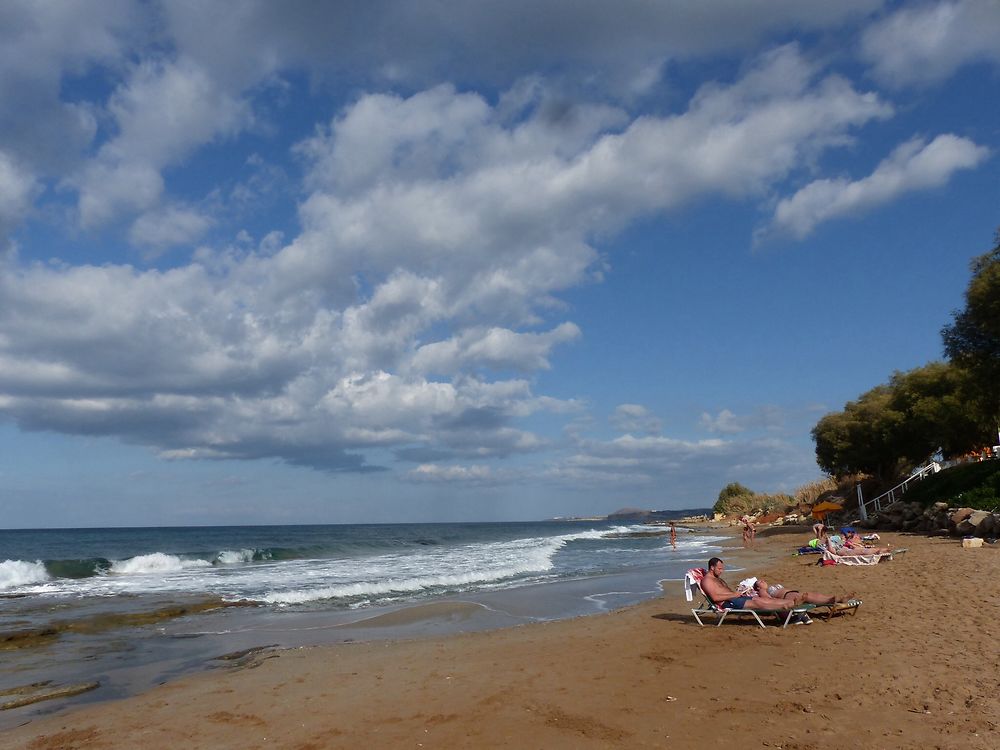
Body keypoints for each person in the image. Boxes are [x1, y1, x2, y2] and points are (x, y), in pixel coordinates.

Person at [700, 557, 796, 613]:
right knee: (757, 604)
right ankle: (782, 607)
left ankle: (789, 603)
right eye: (720, 569)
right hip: (728, 603)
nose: (722, 571)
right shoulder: (707, 581)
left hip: (735, 598)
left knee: (762, 599)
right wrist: (734, 595)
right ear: (712, 567)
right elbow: (715, 598)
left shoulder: (716, 579)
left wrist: (738, 594)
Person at [752, 578, 855, 607]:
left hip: (792, 593)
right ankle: (834, 600)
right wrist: (783, 604)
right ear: (757, 588)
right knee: (809, 596)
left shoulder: (769, 587)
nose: (763, 581)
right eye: (760, 582)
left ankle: (834, 599)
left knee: (812, 595)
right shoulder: (762, 591)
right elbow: (768, 600)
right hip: (787, 596)